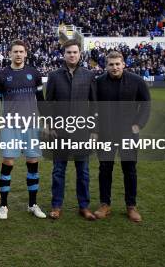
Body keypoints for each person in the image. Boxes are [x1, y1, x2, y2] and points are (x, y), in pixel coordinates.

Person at [0, 39, 47, 220]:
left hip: (31, 125)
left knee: (33, 163)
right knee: (8, 163)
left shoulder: (34, 73)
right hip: (10, 126)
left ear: (25, 53)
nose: (18, 54)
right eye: (15, 51)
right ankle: (4, 206)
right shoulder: (1, 76)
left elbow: (41, 99)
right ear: (9, 54)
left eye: (21, 51)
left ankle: (32, 204)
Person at [94, 50, 150, 223]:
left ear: (124, 64)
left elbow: (146, 105)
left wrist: (138, 125)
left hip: (128, 134)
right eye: (111, 64)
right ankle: (105, 204)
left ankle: (131, 206)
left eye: (118, 64)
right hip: (106, 134)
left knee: (129, 169)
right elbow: (93, 108)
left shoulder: (137, 81)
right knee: (105, 169)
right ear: (106, 66)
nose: (114, 67)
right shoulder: (98, 83)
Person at [45, 39, 97, 220]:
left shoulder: (88, 75)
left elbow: (95, 105)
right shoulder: (54, 76)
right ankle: (56, 206)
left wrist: (93, 129)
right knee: (59, 170)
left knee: (83, 171)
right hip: (60, 131)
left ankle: (84, 206)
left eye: (75, 52)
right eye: (69, 52)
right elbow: (48, 103)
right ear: (64, 55)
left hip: (82, 131)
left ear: (80, 53)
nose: (72, 55)